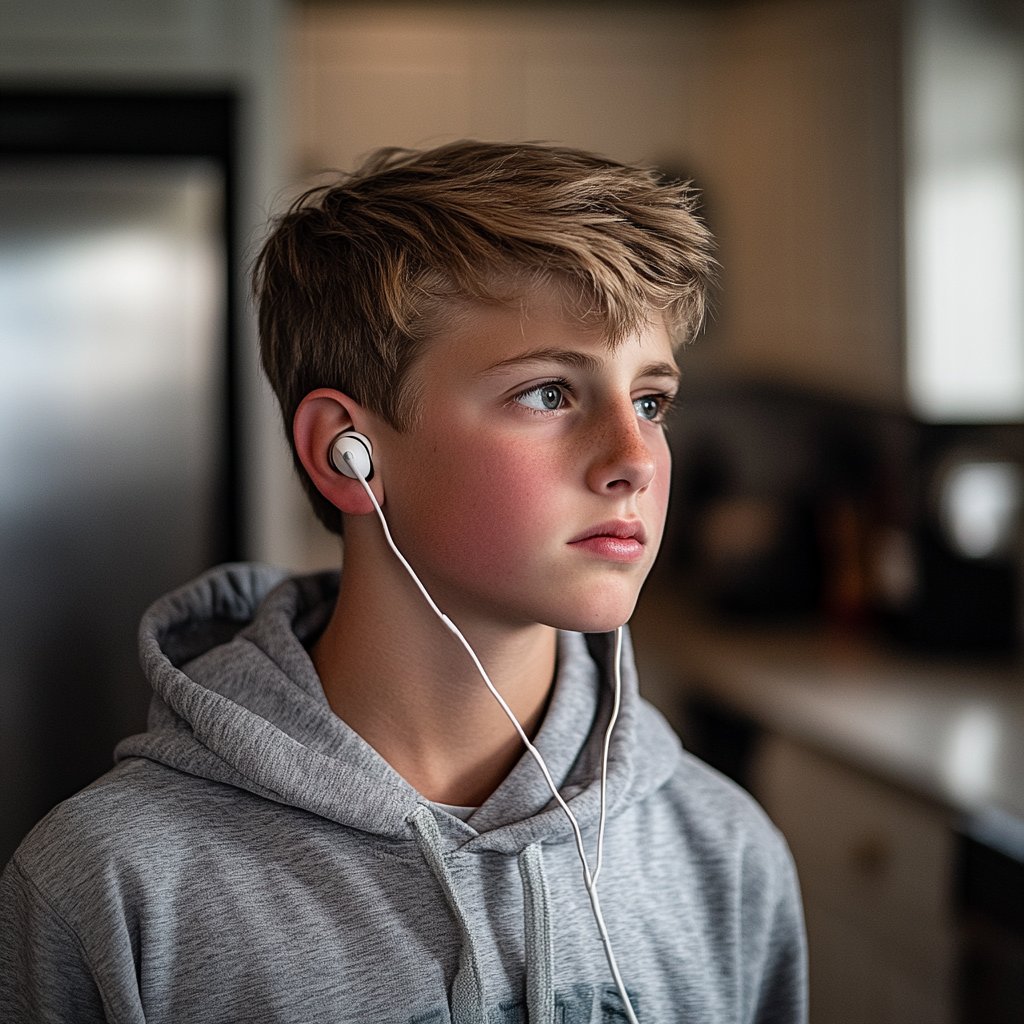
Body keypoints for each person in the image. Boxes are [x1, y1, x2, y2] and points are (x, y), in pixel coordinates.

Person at [0, 140, 806, 1023]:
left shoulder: (724, 853)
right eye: (548, 393)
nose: (633, 462)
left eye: (651, 401)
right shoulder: (113, 887)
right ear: (349, 455)